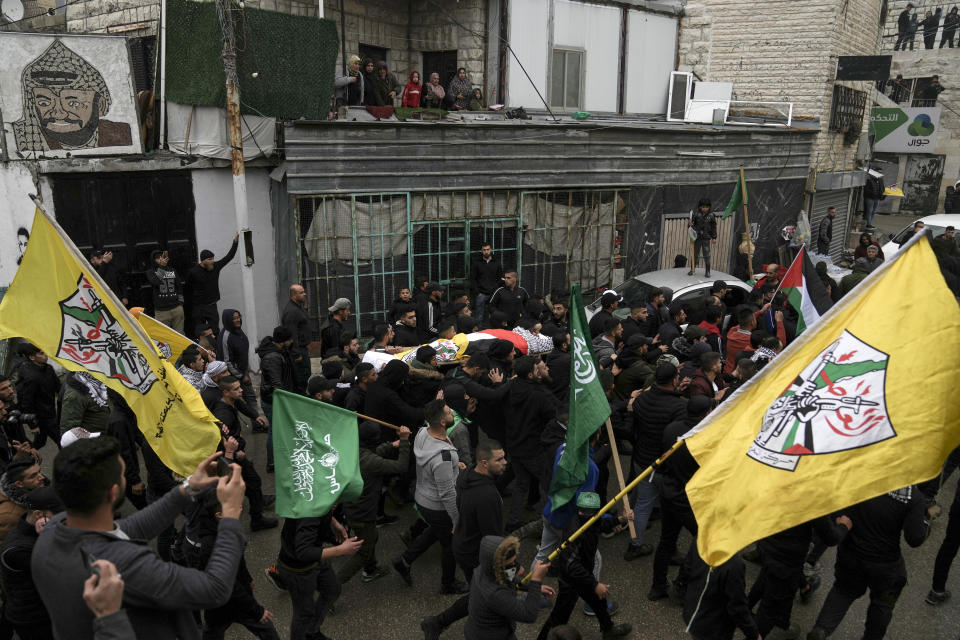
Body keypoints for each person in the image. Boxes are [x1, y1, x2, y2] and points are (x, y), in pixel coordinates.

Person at [32, 437, 248, 640]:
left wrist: (188, 487)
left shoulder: (53, 531)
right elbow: (214, 588)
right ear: (113, 493)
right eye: (124, 474)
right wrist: (230, 514)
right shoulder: (123, 564)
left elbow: (131, 528)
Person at [807, 487, 929, 640]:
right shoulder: (912, 496)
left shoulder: (862, 476)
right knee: (883, 604)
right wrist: (924, 522)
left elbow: (836, 510)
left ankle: (821, 629)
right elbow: (915, 539)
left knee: (842, 592)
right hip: (886, 567)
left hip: (851, 556)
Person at [421, 441, 508, 639]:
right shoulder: (487, 496)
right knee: (482, 596)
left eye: (504, 457)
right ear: (484, 463)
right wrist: (511, 565)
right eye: (500, 459)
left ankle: (437, 623)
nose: (505, 462)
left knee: (481, 594)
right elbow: (493, 539)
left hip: (463, 543)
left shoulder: (467, 474)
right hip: (474, 553)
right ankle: (437, 622)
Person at [174, 491, 279, 640]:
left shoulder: (226, 526)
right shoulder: (212, 545)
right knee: (266, 629)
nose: (241, 507)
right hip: (224, 603)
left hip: (225, 602)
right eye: (235, 505)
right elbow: (230, 585)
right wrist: (256, 610)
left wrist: (248, 578)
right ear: (219, 515)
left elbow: (239, 558)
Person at [393, 400, 467, 593]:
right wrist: (456, 519)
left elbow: (432, 466)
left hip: (423, 497)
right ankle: (448, 583)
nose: (452, 412)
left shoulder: (422, 433)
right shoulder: (443, 456)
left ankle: (404, 560)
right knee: (449, 544)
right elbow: (447, 493)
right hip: (437, 505)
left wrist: (454, 466)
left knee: (435, 531)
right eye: (448, 412)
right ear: (443, 423)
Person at [536, 492, 632, 640]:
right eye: (582, 511)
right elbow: (571, 565)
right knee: (559, 617)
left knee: (599, 600)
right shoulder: (574, 530)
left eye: (590, 512)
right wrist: (594, 584)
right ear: (578, 509)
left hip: (584, 575)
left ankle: (608, 630)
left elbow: (600, 525)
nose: (585, 514)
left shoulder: (591, 520)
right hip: (571, 581)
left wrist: (620, 519)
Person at [625, 363, 687, 561]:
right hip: (661, 464)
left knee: (641, 500)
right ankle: (636, 544)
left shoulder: (642, 399)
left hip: (641, 457)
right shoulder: (678, 407)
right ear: (674, 380)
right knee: (648, 504)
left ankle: (633, 536)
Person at [340, 422, 411, 586]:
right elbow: (400, 466)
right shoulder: (371, 462)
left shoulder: (355, 449)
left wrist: (392, 445)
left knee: (371, 537)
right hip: (362, 513)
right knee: (363, 552)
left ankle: (371, 569)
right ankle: (332, 588)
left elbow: (372, 454)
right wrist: (405, 441)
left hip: (354, 508)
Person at [275, 510, 363, 640]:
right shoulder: (309, 514)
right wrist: (342, 550)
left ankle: (311, 632)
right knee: (304, 613)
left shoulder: (318, 498)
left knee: (332, 589)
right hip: (298, 571)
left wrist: (332, 521)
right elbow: (304, 552)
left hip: (315, 560)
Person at [212, 377, 277, 531]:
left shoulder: (231, 402)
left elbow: (241, 405)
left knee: (250, 483)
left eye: (239, 387)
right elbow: (222, 437)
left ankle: (258, 501)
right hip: (231, 456)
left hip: (234, 453)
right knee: (253, 482)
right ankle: (257, 519)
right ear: (226, 392)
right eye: (236, 389)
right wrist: (236, 451)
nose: (241, 390)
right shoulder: (223, 414)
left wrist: (255, 416)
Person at [464, 535, 553, 640]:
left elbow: (508, 577)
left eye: (514, 561)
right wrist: (536, 581)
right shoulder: (494, 594)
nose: (515, 566)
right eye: (510, 564)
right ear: (496, 567)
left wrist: (533, 588)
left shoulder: (484, 569)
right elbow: (529, 615)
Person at [504, 356, 557, 530]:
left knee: (521, 483)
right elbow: (552, 415)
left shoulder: (510, 388)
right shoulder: (538, 395)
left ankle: (513, 521)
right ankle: (542, 520)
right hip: (533, 448)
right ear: (529, 374)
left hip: (514, 445)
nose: (539, 372)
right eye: (536, 369)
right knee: (547, 481)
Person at [683, 550, 760, 640]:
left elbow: (687, 569)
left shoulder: (701, 541)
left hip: (692, 614)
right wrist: (754, 634)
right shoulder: (734, 565)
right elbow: (737, 606)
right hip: (714, 628)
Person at [256, 326, 297, 473]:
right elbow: (276, 383)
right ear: (282, 341)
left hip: (274, 399)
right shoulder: (273, 357)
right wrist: (286, 399)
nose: (292, 342)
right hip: (273, 401)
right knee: (274, 431)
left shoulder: (278, 353)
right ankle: (273, 462)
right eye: (290, 339)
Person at [185, 233, 238, 336]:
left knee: (215, 331)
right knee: (200, 332)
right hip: (198, 307)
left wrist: (235, 242)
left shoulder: (216, 267)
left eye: (213, 258)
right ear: (203, 260)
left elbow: (229, 257)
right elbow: (188, 290)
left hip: (211, 306)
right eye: (209, 259)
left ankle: (216, 351)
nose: (212, 261)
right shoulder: (193, 272)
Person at [14, 343, 59, 450]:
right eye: (41, 353)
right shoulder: (31, 377)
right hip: (41, 417)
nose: (46, 355)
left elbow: (58, 387)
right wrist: (32, 425)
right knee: (62, 440)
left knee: (40, 442)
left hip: (49, 411)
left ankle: (24, 457)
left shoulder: (48, 368)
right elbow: (26, 402)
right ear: (32, 357)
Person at [282, 284, 312, 393]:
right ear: (293, 295)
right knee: (301, 379)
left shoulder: (298, 307)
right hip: (298, 351)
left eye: (304, 291)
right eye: (301, 292)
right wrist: (296, 353)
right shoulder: (291, 311)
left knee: (305, 376)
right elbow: (291, 333)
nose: (305, 294)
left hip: (303, 349)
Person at [145, 249, 184, 332]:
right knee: (164, 336)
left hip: (176, 308)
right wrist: (162, 267)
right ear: (154, 260)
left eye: (162, 257)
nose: (160, 259)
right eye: (158, 258)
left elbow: (179, 287)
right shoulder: (150, 272)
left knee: (180, 334)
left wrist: (181, 303)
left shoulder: (172, 270)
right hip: (161, 311)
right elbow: (155, 282)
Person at [471, 242, 503, 327]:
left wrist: (496, 289)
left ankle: (494, 328)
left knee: (495, 312)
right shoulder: (476, 263)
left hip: (494, 293)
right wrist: (477, 292)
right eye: (484, 250)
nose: (486, 252)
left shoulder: (497, 262)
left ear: (491, 250)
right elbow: (473, 278)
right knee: (479, 315)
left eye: (488, 249)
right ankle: (479, 330)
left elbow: (501, 278)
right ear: (481, 251)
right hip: (481, 293)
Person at [688, 199, 717, 277]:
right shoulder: (696, 214)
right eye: (703, 207)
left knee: (706, 255)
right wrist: (690, 224)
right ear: (700, 207)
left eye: (706, 207)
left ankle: (707, 271)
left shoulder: (711, 215)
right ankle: (692, 269)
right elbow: (691, 226)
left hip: (706, 237)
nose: (704, 208)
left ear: (709, 207)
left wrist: (714, 237)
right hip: (697, 237)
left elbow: (713, 227)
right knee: (695, 254)